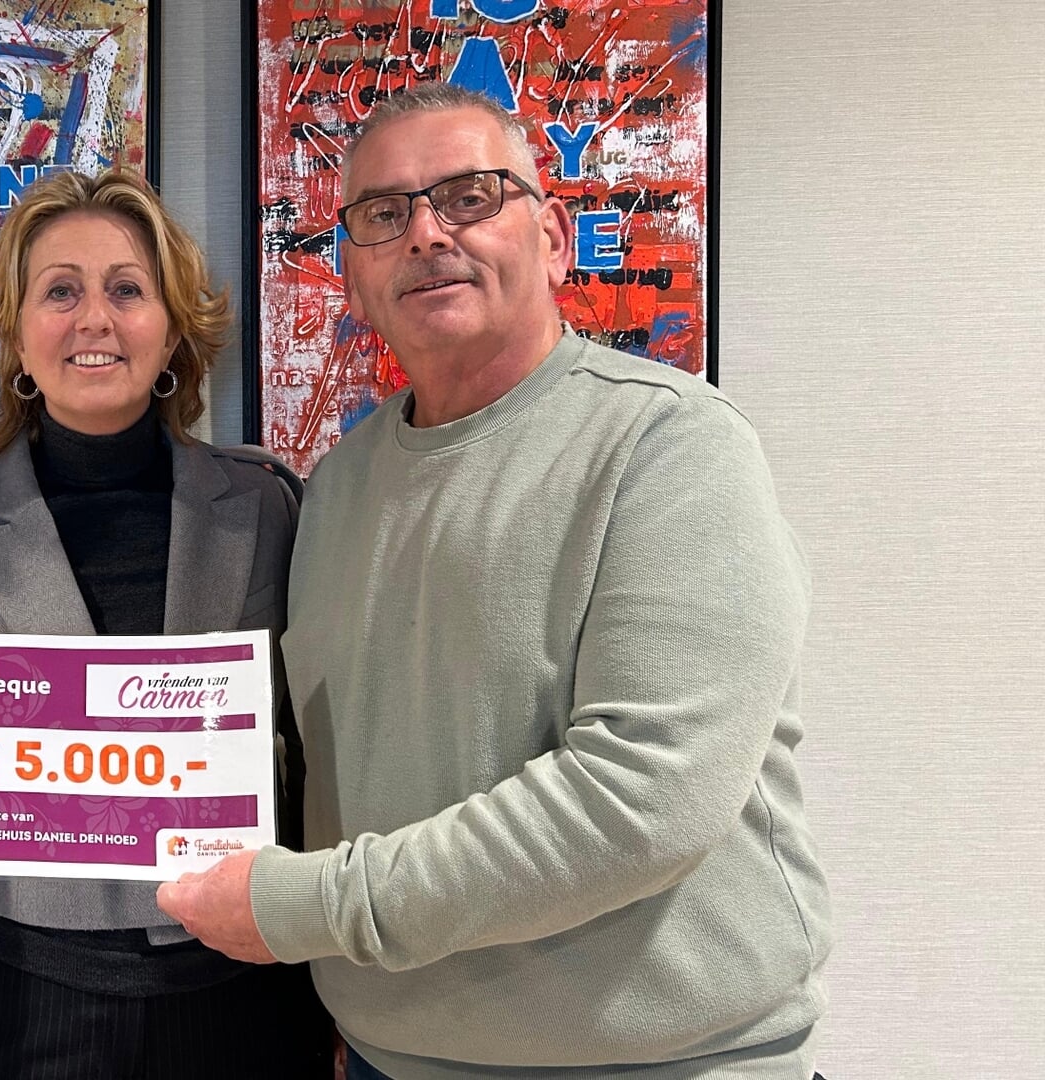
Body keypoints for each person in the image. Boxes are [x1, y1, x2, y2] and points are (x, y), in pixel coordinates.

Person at [157, 84, 832, 1079]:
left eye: (469, 196)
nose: (427, 233)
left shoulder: (671, 444)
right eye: (383, 214)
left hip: (667, 1065)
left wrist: (308, 910)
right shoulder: (333, 490)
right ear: (352, 277)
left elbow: (643, 802)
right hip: (386, 1057)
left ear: (553, 239)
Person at [0, 169, 333, 1079]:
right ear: (17, 333)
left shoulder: (267, 507)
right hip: (13, 991)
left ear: (172, 329)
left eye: (127, 290)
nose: (94, 318)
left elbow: (312, 753)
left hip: (236, 988)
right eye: (60, 291)